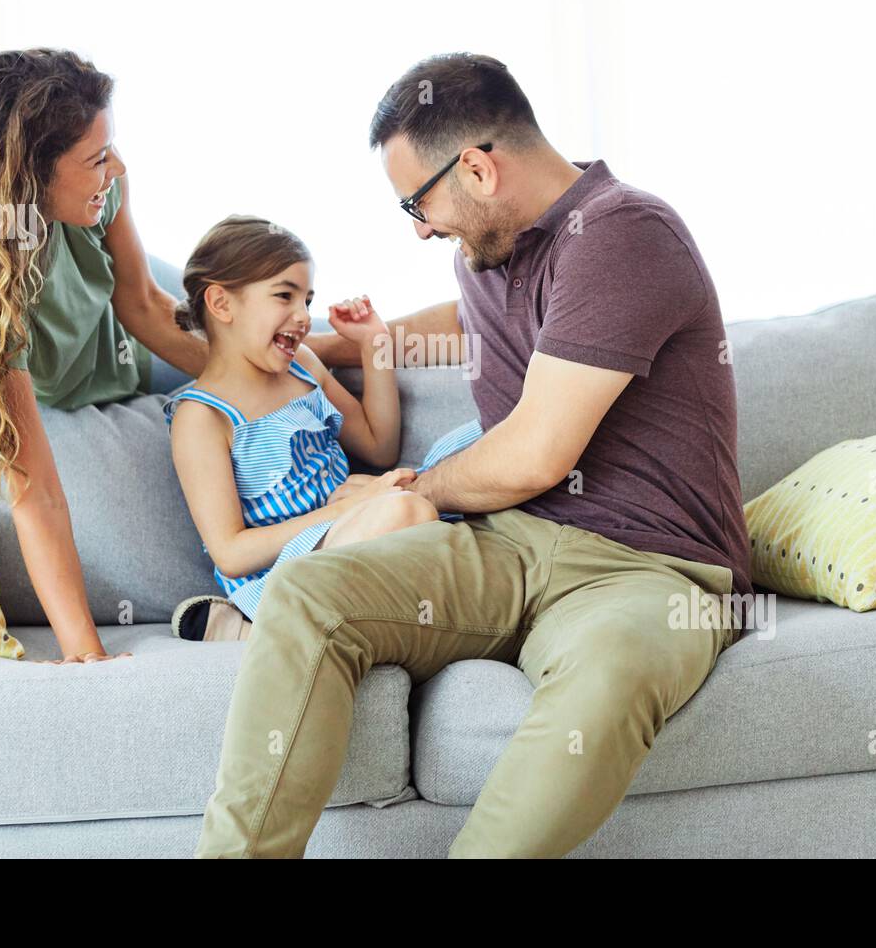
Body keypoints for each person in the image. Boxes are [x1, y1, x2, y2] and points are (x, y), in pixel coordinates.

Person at [191, 52, 754, 859]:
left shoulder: (627, 234)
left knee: (610, 676)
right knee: (309, 593)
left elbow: (532, 457)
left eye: (417, 203)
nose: (420, 228)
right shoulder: (492, 251)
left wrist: (420, 482)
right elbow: (471, 318)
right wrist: (313, 347)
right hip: (510, 544)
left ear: (480, 169)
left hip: (647, 568)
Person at [0, 48, 208, 665]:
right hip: (77, 371)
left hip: (123, 317)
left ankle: (343, 335)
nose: (116, 167)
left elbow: (143, 302)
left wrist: (255, 370)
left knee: (274, 326)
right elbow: (34, 493)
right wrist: (85, 654)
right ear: (28, 178)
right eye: (96, 158)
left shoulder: (104, 190)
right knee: (269, 331)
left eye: (110, 147)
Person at [162, 216, 480, 642]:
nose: (303, 317)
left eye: (307, 300)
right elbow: (231, 553)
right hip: (284, 569)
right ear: (221, 304)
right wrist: (345, 510)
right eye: (284, 296)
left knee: (476, 440)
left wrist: (374, 344)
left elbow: (379, 445)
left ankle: (286, 628)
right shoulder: (201, 418)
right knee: (409, 511)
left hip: (348, 526)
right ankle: (264, 623)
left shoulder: (304, 367)